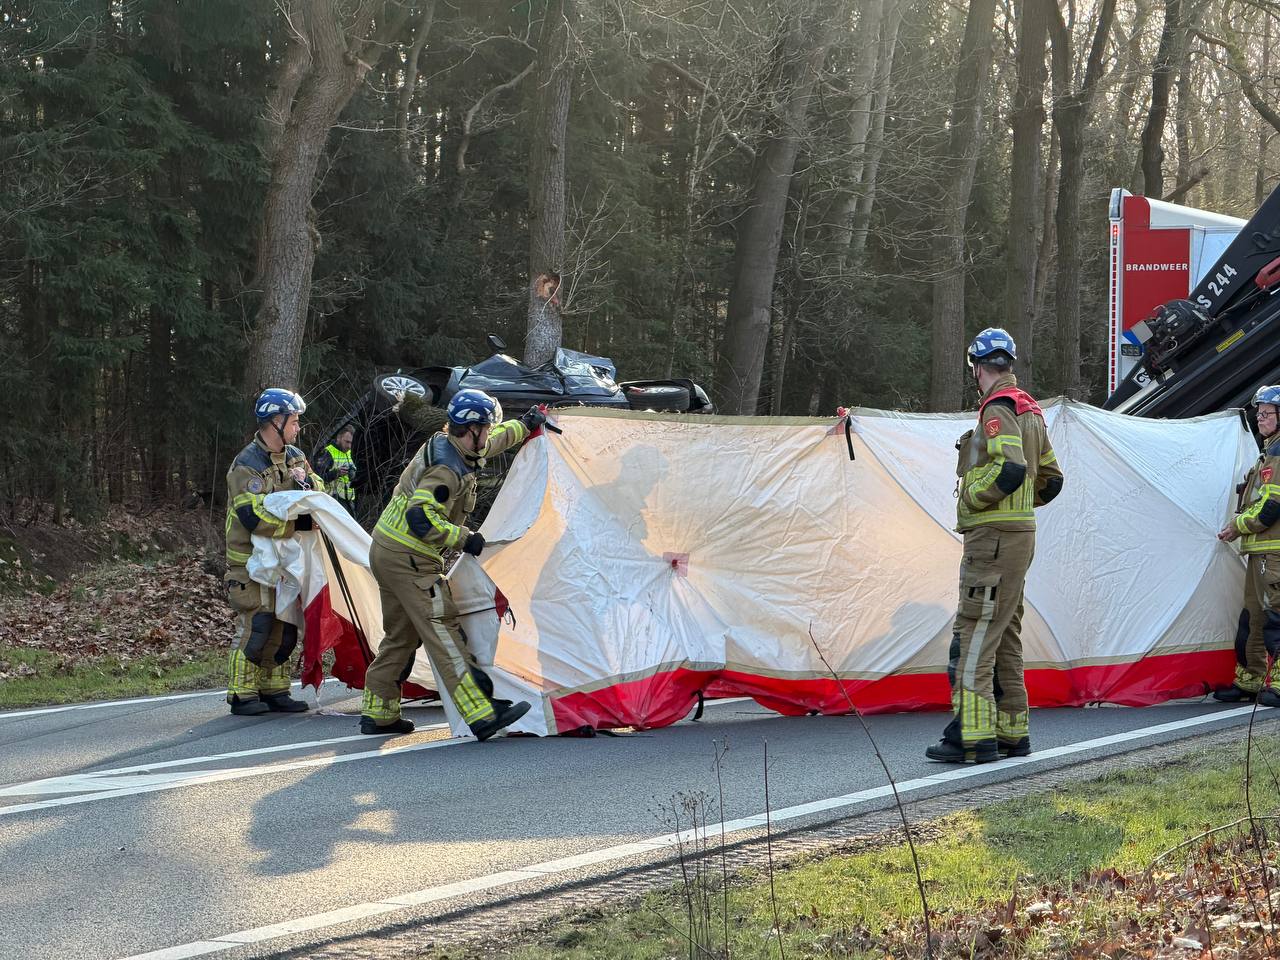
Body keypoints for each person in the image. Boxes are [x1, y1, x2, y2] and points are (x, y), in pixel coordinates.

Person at [360, 388, 546, 739]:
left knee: (401, 636)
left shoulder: (453, 441)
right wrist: (465, 538)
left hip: (386, 547)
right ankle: (480, 710)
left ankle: (378, 712)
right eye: (487, 427)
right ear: (472, 429)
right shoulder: (447, 469)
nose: (489, 433)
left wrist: (524, 426)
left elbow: (492, 443)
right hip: (409, 558)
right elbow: (422, 518)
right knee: (441, 626)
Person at [926, 328, 1065, 764]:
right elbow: (1052, 479)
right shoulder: (1031, 410)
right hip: (1019, 538)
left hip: (993, 542)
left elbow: (1010, 470)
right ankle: (1011, 733)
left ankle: (972, 737)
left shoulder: (996, 407)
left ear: (977, 366)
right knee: (1005, 636)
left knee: (973, 637)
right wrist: (1021, 511)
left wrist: (973, 497)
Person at [224, 388, 325, 716]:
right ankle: (242, 693)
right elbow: (252, 517)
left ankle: (275, 689)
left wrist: (306, 488)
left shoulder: (295, 456)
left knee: (286, 625)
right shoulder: (246, 465)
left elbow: (317, 488)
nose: (298, 428)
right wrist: (298, 525)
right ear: (275, 422)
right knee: (260, 623)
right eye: (294, 422)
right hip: (249, 563)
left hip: (285, 560)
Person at [1214, 385, 1280, 706]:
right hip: (1261, 551)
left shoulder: (1279, 454)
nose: (1260, 420)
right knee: (1253, 617)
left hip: (1274, 552)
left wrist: (1237, 526)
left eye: (1267, 414)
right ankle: (1252, 678)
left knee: (1275, 615)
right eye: (1259, 414)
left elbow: (1271, 505)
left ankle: (1278, 682)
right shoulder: (1268, 453)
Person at [315, 425, 358, 517]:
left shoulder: (351, 452)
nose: (349, 446)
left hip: (349, 502)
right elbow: (317, 479)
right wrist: (336, 473)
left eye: (351, 443)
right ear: (339, 438)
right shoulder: (327, 453)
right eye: (346, 442)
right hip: (331, 501)